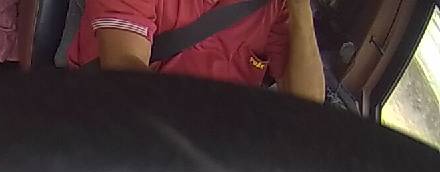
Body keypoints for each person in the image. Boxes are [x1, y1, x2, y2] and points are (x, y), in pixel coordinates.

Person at [67, 0, 326, 102]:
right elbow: (125, 73)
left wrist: (301, 9)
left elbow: (308, 102)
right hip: (122, 123)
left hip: (216, 149)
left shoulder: (275, 7)